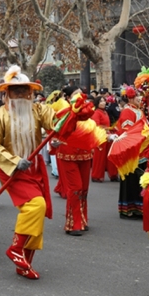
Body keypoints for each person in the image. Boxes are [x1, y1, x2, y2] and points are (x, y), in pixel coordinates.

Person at [0, 66, 56, 279]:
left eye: (24, 90)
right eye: (16, 91)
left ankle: (24, 262)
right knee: (36, 205)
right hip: (12, 170)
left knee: (37, 213)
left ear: (31, 93)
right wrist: (15, 161)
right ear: (7, 93)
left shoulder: (37, 110)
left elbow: (56, 121)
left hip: (34, 168)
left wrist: (67, 122)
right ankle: (16, 249)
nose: (21, 95)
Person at [53, 87, 93, 236]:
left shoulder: (88, 113)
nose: (80, 95)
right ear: (69, 98)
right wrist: (54, 141)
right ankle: (73, 223)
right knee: (75, 188)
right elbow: (54, 131)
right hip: (68, 155)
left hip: (85, 154)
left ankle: (82, 219)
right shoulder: (64, 113)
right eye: (75, 93)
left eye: (80, 92)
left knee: (84, 189)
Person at [114, 87, 147, 219]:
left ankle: (138, 207)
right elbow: (128, 132)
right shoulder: (128, 111)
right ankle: (130, 208)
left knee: (139, 179)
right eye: (138, 96)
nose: (141, 99)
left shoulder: (138, 110)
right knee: (131, 179)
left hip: (141, 149)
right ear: (131, 97)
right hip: (132, 150)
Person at [91, 96, 116, 182]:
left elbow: (107, 125)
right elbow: (96, 125)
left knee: (111, 155)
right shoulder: (96, 113)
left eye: (104, 101)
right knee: (99, 157)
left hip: (108, 135)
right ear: (97, 103)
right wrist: (108, 129)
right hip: (100, 136)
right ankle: (96, 175)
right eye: (101, 101)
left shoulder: (105, 112)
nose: (103, 103)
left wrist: (112, 128)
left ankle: (113, 174)